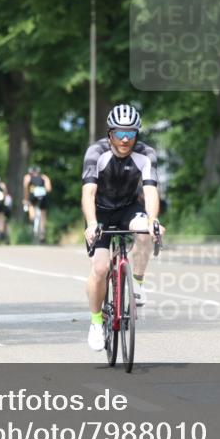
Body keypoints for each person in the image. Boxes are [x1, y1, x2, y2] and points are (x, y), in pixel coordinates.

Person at [82, 103, 161, 351]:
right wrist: (92, 223)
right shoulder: (96, 152)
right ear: (110, 133)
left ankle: (136, 282)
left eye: (131, 133)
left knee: (146, 232)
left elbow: (150, 191)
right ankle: (96, 322)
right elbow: (88, 191)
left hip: (128, 208)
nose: (125, 139)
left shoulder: (146, 154)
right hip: (101, 211)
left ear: (137, 134)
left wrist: (153, 219)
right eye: (119, 133)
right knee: (101, 267)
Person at [22, 165, 52, 239]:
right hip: (42, 195)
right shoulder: (44, 177)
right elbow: (49, 189)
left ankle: (32, 221)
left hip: (33, 195)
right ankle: (42, 232)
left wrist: (25, 198)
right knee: (43, 215)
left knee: (31, 208)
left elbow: (25, 188)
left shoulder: (27, 177)